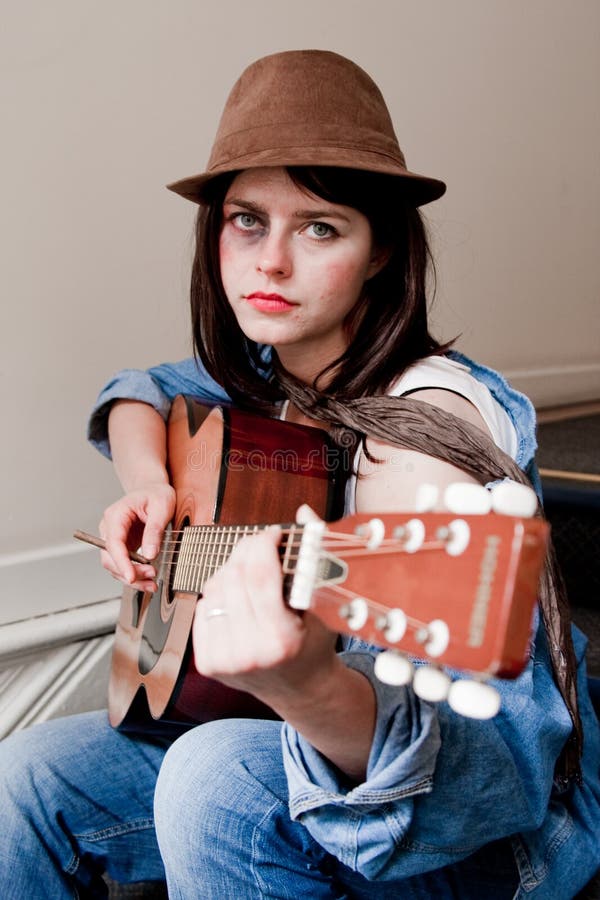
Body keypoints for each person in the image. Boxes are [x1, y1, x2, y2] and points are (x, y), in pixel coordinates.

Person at [1, 50, 598, 900]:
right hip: (296, 737)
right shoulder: (268, 362)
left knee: (215, 775)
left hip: (486, 819)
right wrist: (152, 489)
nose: (270, 263)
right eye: (248, 220)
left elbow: (485, 774)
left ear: (382, 248)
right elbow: (139, 392)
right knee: (24, 778)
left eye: (319, 227)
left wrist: (309, 684)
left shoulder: (429, 433)